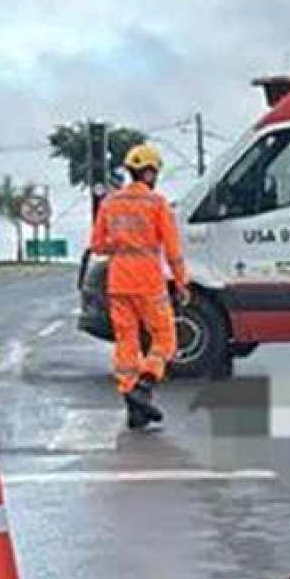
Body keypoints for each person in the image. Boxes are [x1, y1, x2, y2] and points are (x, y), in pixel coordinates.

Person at [89, 143, 190, 430]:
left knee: (126, 343)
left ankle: (133, 405)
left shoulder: (109, 203)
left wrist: (121, 246)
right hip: (148, 282)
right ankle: (144, 385)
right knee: (165, 338)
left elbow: (97, 245)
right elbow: (172, 249)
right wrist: (181, 281)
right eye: (154, 172)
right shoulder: (157, 204)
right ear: (147, 173)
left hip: (118, 281)